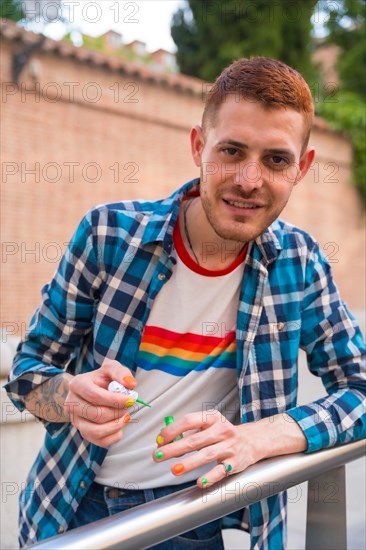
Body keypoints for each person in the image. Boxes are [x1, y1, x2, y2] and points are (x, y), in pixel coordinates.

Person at [5, 56, 365, 550]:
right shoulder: (109, 236)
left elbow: (360, 388)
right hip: (72, 510)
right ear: (198, 146)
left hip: (195, 514)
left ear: (302, 168)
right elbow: (28, 371)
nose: (248, 179)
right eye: (232, 151)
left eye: (276, 160)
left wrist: (263, 437)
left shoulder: (299, 264)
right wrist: (69, 396)